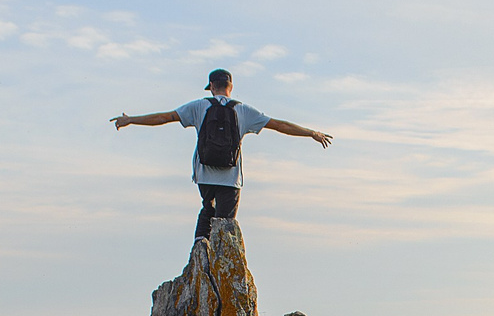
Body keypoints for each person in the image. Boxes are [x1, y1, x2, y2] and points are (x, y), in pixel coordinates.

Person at [111, 69, 333, 238]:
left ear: (211, 86)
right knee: (225, 224)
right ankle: (219, 258)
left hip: (204, 174)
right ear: (231, 86)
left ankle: (200, 251)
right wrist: (310, 133)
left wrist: (131, 119)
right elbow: (279, 125)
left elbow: (163, 118)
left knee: (207, 209)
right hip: (230, 177)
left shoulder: (199, 106)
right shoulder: (243, 110)